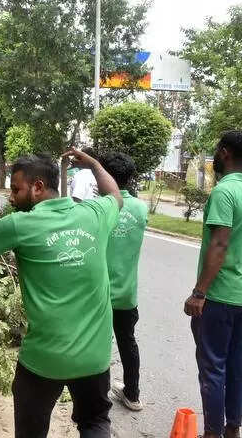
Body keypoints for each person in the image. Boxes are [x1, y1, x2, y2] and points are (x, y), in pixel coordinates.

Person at [0, 149, 123, 438]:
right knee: (95, 423)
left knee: (30, 432)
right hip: (94, 356)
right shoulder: (94, 214)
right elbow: (115, 195)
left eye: (16, 189)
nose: (11, 197)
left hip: (44, 358)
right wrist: (94, 164)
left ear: (38, 187)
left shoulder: (20, 225)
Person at [183, 130, 242, 438]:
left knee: (212, 366)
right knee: (237, 363)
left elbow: (219, 244)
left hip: (220, 296)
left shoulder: (224, 192)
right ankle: (232, 428)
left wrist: (199, 292)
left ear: (224, 153)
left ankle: (212, 433)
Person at [100, 152, 148, 412]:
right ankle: (133, 394)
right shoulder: (141, 209)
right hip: (128, 294)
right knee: (127, 341)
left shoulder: (98, 208)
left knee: (99, 344)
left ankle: (99, 398)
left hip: (99, 293)